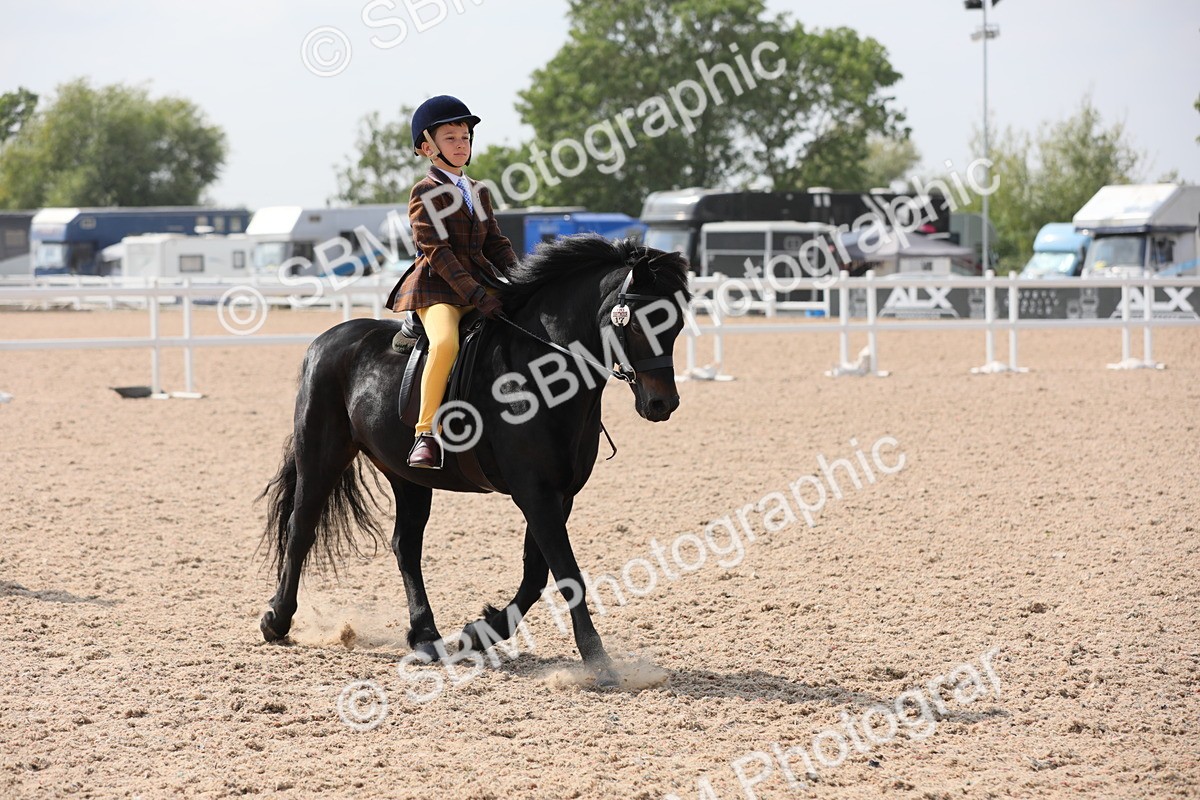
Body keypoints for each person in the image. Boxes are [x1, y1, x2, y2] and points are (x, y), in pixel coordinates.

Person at [385, 95, 518, 470]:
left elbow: (496, 243)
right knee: (445, 343)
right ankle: (425, 434)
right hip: (438, 288)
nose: (462, 144)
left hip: (480, 284)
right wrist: (476, 293)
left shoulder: (479, 191)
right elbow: (436, 251)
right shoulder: (424, 192)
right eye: (451, 138)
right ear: (428, 148)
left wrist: (524, 278)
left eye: (465, 137)